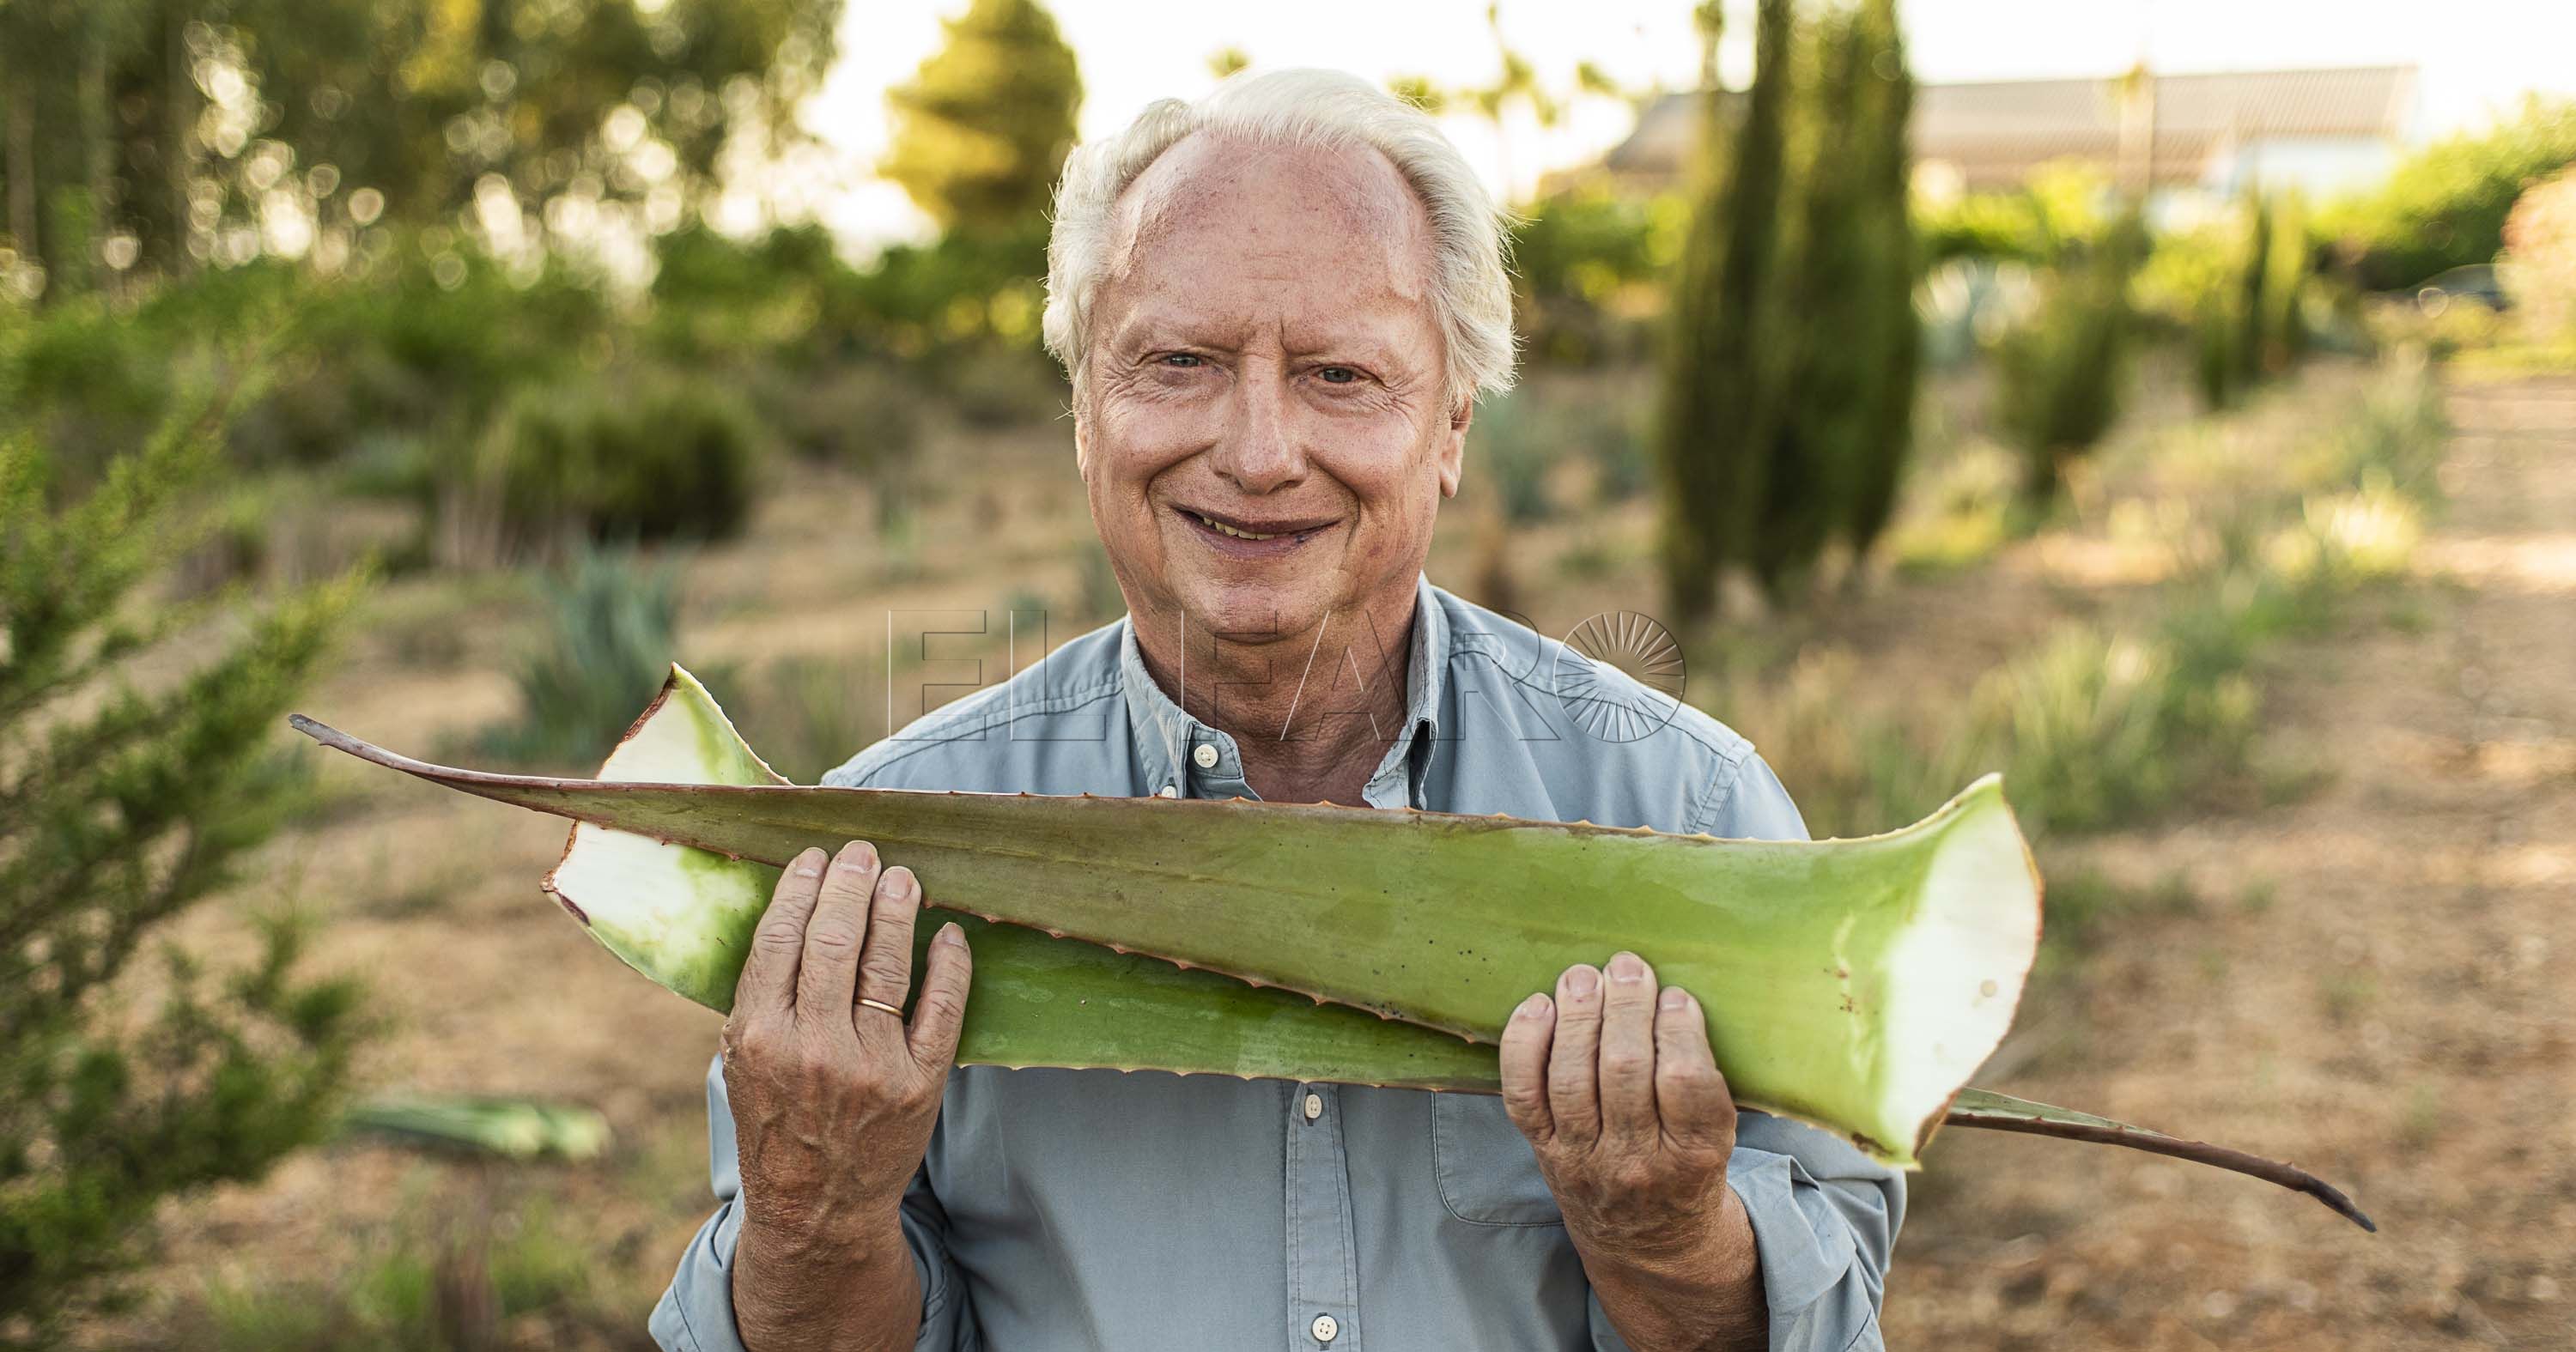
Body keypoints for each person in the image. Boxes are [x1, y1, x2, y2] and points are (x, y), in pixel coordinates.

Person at [652, 69, 1899, 1352]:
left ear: (1454, 421)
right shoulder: (880, 861)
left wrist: (1671, 1242)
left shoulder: (1695, 820)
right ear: (1086, 412)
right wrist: (814, 1221)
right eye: (1179, 362)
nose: (1257, 450)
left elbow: (1830, 1326)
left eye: (1341, 374)